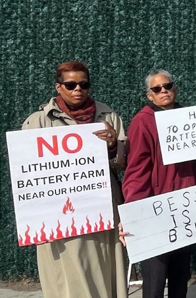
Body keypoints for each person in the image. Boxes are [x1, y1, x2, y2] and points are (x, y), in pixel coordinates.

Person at [21, 61, 128, 298]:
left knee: (105, 267)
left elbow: (124, 164)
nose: (77, 89)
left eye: (83, 84)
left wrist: (113, 146)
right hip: (60, 215)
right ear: (58, 87)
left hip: (102, 208)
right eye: (70, 84)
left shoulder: (107, 115)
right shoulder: (38, 121)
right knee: (69, 277)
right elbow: (27, 170)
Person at [122, 69, 196, 298]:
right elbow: (136, 170)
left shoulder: (188, 118)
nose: (163, 90)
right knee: (154, 283)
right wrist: (132, 212)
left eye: (167, 86)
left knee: (179, 279)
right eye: (157, 89)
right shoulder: (141, 122)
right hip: (155, 212)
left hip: (185, 210)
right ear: (150, 96)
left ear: (175, 88)